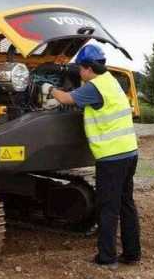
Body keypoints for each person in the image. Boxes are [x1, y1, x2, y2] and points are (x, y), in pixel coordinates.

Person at [42, 44, 141, 269]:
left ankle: (106, 258)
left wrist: (49, 89)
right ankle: (132, 254)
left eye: (80, 69)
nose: (79, 73)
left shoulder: (94, 87)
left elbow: (66, 99)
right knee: (126, 203)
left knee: (108, 207)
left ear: (87, 68)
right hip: (129, 152)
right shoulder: (111, 81)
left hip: (112, 157)